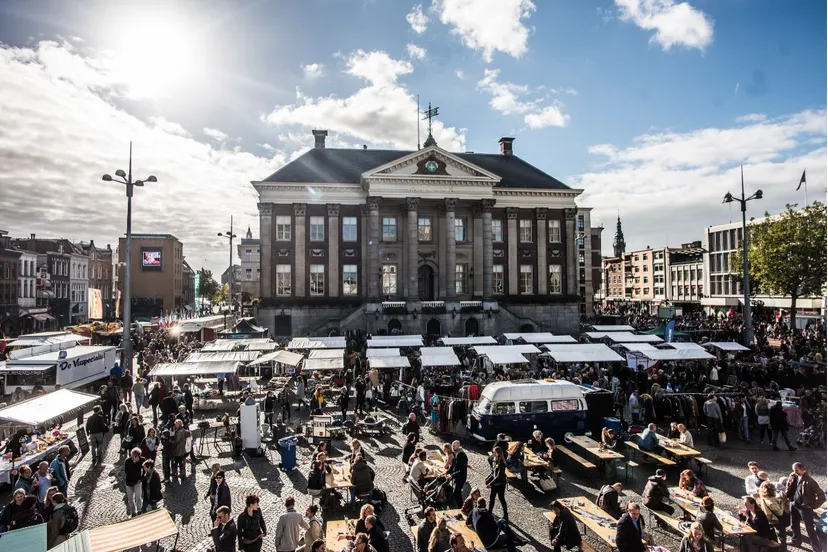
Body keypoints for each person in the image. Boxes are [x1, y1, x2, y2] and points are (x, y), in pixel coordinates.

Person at [786, 462, 826, 551]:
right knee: (794, 524)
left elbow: (822, 496)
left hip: (805, 507)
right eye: (793, 470)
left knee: (810, 529)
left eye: (796, 470)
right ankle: (795, 541)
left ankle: (817, 548)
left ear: (803, 469)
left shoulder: (810, 481)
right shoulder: (794, 477)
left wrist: (812, 505)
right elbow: (790, 488)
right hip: (794, 504)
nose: (794, 472)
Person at [758, 480, 789, 548]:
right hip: (776, 520)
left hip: (770, 519)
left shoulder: (763, 497)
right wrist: (781, 502)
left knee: (776, 536)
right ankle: (783, 549)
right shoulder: (771, 501)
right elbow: (780, 513)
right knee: (782, 537)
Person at [487, 446, 508, 522]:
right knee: (492, 498)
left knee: (501, 499)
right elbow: (493, 472)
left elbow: (499, 476)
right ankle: (489, 512)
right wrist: (488, 478)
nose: (493, 454)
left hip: (500, 483)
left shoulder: (501, 463)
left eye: (494, 452)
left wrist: (490, 483)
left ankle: (506, 515)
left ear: (498, 453)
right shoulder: (495, 460)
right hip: (496, 483)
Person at [124, 447, 145, 516]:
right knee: (130, 499)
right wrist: (134, 463)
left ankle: (139, 510)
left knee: (138, 497)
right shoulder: (128, 461)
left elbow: (145, 469)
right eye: (133, 455)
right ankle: (133, 512)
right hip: (129, 482)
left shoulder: (142, 460)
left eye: (136, 456)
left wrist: (141, 478)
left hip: (137, 482)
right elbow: (127, 471)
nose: (134, 457)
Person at [447, 440, 468, 508]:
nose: (453, 447)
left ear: (458, 446)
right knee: (456, 492)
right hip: (456, 476)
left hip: (460, 477)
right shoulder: (456, 453)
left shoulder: (462, 456)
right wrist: (447, 472)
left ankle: (461, 507)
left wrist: (452, 475)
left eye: (454, 446)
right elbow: (453, 465)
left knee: (456, 492)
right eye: (452, 446)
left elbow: (460, 470)